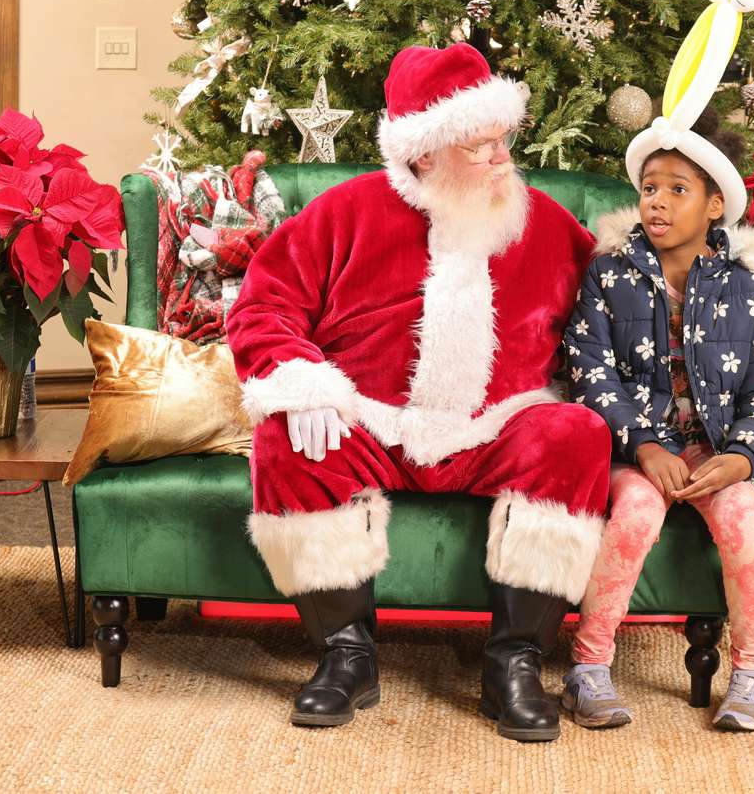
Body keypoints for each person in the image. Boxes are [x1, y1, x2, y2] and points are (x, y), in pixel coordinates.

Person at [225, 42, 609, 743]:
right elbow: (263, 306)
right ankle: (346, 653)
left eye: (503, 139)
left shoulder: (543, 220)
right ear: (425, 153)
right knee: (287, 434)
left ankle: (516, 661)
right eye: (481, 145)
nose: (503, 159)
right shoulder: (343, 214)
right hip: (375, 421)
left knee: (576, 435)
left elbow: (617, 305)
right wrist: (302, 381)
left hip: (501, 425)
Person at [561, 106, 754, 732]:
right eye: (649, 189)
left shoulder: (753, 288)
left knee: (746, 520)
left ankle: (753, 674)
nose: (657, 204)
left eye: (677, 190)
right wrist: (643, 446)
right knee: (636, 514)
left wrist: (743, 457)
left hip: (719, 451)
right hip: (637, 450)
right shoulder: (609, 276)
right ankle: (588, 667)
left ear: (715, 205)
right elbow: (589, 374)